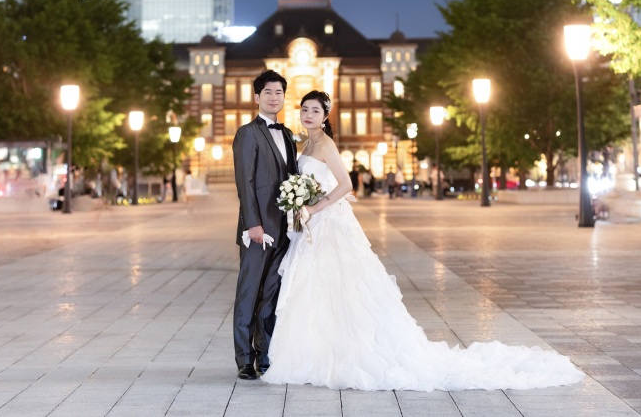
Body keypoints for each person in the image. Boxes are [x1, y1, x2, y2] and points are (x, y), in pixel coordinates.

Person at [261, 90, 584, 391]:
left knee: (340, 287)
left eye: (315, 110)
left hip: (329, 223)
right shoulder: (304, 144)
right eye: (304, 110)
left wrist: (314, 206)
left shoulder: (326, 145)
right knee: (317, 288)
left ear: (325, 115)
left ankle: (339, 353)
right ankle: (317, 351)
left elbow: (346, 185)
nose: (308, 115)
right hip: (312, 226)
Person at [232, 70, 298, 381]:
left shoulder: (287, 136)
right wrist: (253, 225)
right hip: (258, 232)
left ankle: (266, 354)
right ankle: (245, 359)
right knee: (249, 292)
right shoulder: (247, 133)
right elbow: (244, 182)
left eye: (279, 93)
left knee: (271, 294)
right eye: (268, 92)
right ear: (257, 97)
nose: (274, 97)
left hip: (284, 230)